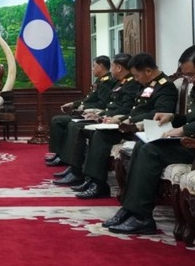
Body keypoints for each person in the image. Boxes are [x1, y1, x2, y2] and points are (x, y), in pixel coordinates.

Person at [105, 46, 195, 234]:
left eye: (192, 75)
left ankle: (142, 217)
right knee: (142, 145)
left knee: (151, 151)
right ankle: (129, 208)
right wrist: (172, 117)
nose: (189, 80)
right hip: (193, 142)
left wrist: (184, 130)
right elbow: (194, 118)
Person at [75, 53, 178, 199]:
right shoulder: (147, 84)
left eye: (136, 75)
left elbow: (159, 113)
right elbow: (133, 109)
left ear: (148, 71)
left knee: (101, 136)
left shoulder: (165, 86)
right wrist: (120, 119)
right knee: (98, 133)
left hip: (143, 129)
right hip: (131, 125)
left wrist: (129, 121)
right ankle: (93, 180)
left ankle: (98, 185)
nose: (135, 79)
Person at [52, 53, 140, 187]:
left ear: (119, 68)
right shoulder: (119, 82)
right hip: (107, 117)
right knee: (74, 126)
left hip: (118, 122)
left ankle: (79, 173)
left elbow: (125, 108)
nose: (111, 69)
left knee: (77, 127)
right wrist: (99, 114)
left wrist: (102, 115)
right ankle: (74, 169)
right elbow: (110, 104)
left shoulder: (131, 84)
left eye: (113, 66)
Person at [45, 56, 114, 167]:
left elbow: (102, 103)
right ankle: (59, 153)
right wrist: (74, 104)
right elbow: (89, 99)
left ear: (101, 66)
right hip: (87, 112)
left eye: (94, 66)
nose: (92, 69)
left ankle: (63, 157)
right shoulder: (100, 80)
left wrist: (83, 107)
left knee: (59, 121)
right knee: (57, 120)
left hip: (94, 115)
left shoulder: (107, 82)